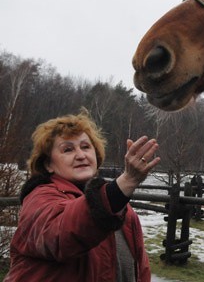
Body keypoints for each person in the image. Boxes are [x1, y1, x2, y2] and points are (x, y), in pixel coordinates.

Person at [4, 110, 160, 281]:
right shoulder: (39, 197)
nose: (80, 155)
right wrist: (127, 181)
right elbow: (60, 233)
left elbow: (140, 268)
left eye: (86, 147)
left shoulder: (122, 208)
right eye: (68, 150)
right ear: (48, 164)